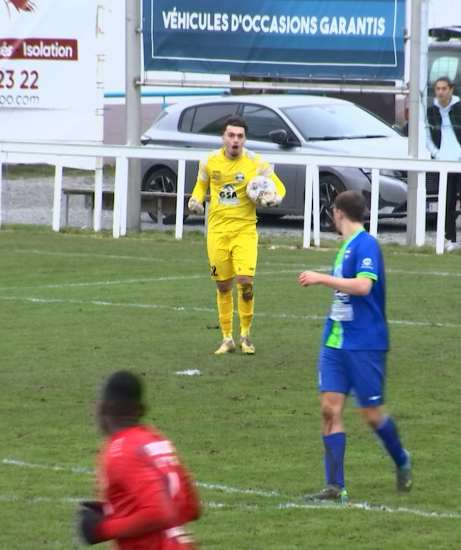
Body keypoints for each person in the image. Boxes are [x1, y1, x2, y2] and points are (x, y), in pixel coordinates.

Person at [298, 190, 412, 500]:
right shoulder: (346, 247)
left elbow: (363, 286)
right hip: (335, 341)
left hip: (365, 343)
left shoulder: (366, 244)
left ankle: (402, 460)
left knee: (371, 414)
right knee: (328, 409)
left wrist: (321, 278)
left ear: (338, 212)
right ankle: (336, 486)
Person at [187, 115, 286, 355]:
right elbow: (201, 185)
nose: (235, 140)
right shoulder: (209, 161)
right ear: (223, 138)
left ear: (245, 139)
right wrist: (195, 200)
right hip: (218, 231)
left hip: (244, 230)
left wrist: (275, 198)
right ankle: (226, 338)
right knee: (223, 285)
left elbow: (279, 187)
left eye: (240, 136)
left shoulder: (256, 163)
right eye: (231, 135)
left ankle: (245, 335)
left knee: (245, 281)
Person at [77, 370, 201, 548]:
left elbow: (159, 512)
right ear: (141, 409)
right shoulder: (157, 441)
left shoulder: (120, 452)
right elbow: (191, 507)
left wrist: (102, 529)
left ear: (104, 408)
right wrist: (118, 510)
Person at [426, 76, 461, 254]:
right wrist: (436, 154)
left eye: (443, 88)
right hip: (443, 163)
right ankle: (451, 239)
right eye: (437, 89)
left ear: (451, 89)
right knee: (446, 202)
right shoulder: (431, 111)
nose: (440, 92)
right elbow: (426, 135)